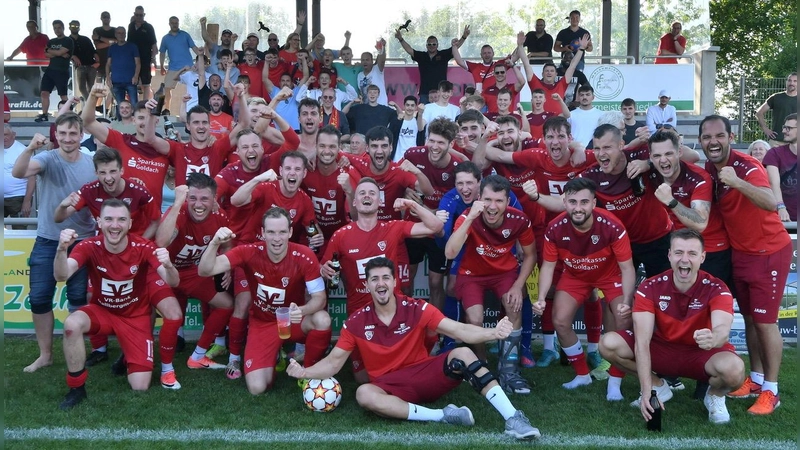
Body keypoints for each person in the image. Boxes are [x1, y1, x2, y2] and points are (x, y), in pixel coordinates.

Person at [288, 256, 541, 439]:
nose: (380, 284)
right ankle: (442, 415)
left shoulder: (416, 307)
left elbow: (458, 330)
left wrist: (492, 332)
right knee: (364, 394)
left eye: (385, 278)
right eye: (374, 279)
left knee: (463, 352)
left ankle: (513, 418)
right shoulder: (356, 321)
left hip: (423, 376)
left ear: (394, 281)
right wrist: (304, 372)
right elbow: (334, 362)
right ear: (367, 285)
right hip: (389, 387)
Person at [600, 229, 745, 423]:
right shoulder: (650, 287)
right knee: (608, 343)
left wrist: (713, 338)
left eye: (692, 253)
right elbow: (642, 342)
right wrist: (647, 390)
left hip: (700, 353)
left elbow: (722, 330)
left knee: (735, 371)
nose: (684, 259)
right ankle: (658, 386)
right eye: (678, 252)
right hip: (663, 350)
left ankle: (715, 395)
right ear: (669, 255)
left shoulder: (716, 287)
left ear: (702, 257)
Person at [700, 115, 792, 415]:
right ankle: (756, 379)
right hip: (740, 253)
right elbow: (682, 154)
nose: (713, 141)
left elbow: (770, 201)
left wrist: (737, 182)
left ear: (731, 137)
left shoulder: (746, 165)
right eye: (707, 137)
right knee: (751, 320)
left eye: (719, 135)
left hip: (769, 252)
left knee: (766, 323)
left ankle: (771, 391)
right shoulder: (709, 168)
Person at [55, 199, 184, 409]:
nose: (115, 225)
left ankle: (127, 356)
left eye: (121, 220)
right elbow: (61, 275)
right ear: (99, 221)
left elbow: (173, 282)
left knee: (140, 386)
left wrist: (169, 265)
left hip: (135, 317)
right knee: (72, 324)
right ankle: (76, 389)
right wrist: (61, 250)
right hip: (103, 312)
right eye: (109, 219)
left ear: (130, 223)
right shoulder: (88, 246)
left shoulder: (143, 246)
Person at [319, 177, 443, 382]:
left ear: (380, 201)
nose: (367, 196)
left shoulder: (392, 228)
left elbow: (436, 227)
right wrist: (324, 269)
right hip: (360, 313)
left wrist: (412, 205)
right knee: (363, 379)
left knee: (424, 336)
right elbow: (324, 267)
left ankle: (420, 356)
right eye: (362, 193)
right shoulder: (340, 236)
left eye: (372, 193)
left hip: (394, 310)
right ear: (355, 202)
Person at [199, 207, 333, 394]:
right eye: (271, 232)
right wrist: (214, 243)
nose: (277, 238)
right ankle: (274, 356)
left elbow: (320, 299)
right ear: (262, 233)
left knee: (322, 319)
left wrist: (301, 310)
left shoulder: (304, 255)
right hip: (263, 323)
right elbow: (204, 270)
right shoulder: (249, 251)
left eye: (282, 232)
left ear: (290, 232)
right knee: (257, 388)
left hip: (292, 320)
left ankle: (308, 372)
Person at [532, 178, 634, 398]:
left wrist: (627, 301)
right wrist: (540, 298)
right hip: (575, 275)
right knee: (560, 320)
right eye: (572, 202)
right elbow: (548, 267)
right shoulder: (555, 228)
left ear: (594, 203)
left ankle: (615, 381)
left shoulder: (612, 225)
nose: (578, 208)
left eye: (584, 202)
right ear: (564, 202)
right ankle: (582, 374)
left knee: (624, 319)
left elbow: (627, 268)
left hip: (610, 275)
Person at [11, 113, 96, 373]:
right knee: (39, 298)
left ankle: (78, 352)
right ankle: (45, 355)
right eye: (63, 134)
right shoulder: (47, 158)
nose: (68, 139)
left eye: (73, 133)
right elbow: (18, 172)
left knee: (78, 300)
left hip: (82, 242)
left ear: (81, 135)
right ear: (56, 135)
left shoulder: (91, 163)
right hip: (48, 240)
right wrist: (29, 148)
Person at [445, 175, 536, 395]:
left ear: (507, 202)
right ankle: (481, 364)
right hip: (472, 274)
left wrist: (518, 285)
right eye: (487, 200)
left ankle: (509, 371)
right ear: (479, 198)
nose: (492, 207)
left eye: (499, 201)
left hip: (504, 272)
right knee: (475, 318)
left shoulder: (519, 219)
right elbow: (450, 252)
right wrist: (469, 218)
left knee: (513, 305)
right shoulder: (469, 216)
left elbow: (531, 255)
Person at [155, 173, 235, 374]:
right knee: (173, 317)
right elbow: (161, 242)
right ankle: (159, 365)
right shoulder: (179, 211)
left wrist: (226, 266)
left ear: (214, 199)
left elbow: (227, 245)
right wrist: (176, 204)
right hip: (164, 270)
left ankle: (198, 356)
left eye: (204, 199)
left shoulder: (220, 216)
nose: (198, 204)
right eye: (193, 198)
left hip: (191, 271)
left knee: (226, 304)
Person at [580, 124, 673, 278]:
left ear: (621, 145)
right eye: (597, 148)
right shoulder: (593, 173)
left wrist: (649, 163)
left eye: (607, 147)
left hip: (658, 240)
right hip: (623, 242)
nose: (601, 153)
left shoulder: (640, 154)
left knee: (662, 289)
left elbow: (689, 156)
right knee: (619, 290)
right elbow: (565, 199)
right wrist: (538, 196)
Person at [401, 118, 464, 313]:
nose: (434, 147)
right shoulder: (412, 154)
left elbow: (459, 202)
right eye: (432, 140)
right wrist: (405, 190)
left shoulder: (458, 166)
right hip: (413, 226)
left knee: (436, 283)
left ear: (451, 144)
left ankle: (436, 327)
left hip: (439, 231)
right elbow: (398, 178)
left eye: (441, 143)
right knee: (406, 278)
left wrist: (429, 212)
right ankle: (407, 323)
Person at [53, 147, 160, 239]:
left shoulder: (139, 191)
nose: (108, 178)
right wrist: (62, 206)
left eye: (113, 171)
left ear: (121, 171)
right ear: (96, 173)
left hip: (134, 247)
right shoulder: (90, 191)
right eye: (103, 173)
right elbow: (58, 218)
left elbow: (156, 221)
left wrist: (140, 245)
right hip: (105, 248)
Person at [520, 32, 587, 116]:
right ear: (542, 74)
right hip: (540, 122)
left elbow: (572, 65)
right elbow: (526, 63)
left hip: (558, 122)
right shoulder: (535, 83)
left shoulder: (561, 84)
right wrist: (520, 46)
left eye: (552, 71)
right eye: (547, 71)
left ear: (556, 74)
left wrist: (581, 49)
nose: (549, 72)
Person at [395, 27, 468, 104]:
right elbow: (409, 50)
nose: (431, 46)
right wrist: (400, 39)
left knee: (440, 111)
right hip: (425, 93)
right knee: (423, 111)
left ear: (437, 45)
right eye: (429, 44)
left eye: (434, 44)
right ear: (426, 45)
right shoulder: (421, 56)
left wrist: (464, 37)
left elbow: (455, 46)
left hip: (440, 92)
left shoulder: (443, 55)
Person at [159, 16, 203, 114]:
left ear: (178, 23)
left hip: (188, 67)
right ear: (169, 24)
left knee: (193, 87)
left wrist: (201, 57)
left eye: (176, 23)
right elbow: (162, 53)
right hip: (173, 68)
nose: (175, 25)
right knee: (166, 88)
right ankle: (167, 110)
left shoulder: (185, 35)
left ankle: (193, 110)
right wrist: (161, 66)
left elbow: (194, 48)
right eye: (173, 23)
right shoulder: (165, 38)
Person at [35, 20, 74, 123]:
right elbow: (46, 54)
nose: (57, 30)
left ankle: (68, 115)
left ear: (63, 28)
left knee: (63, 95)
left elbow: (59, 52)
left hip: (62, 71)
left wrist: (53, 52)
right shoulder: (51, 41)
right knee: (44, 92)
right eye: (55, 28)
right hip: (50, 70)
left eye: (59, 28)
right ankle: (44, 114)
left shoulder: (68, 40)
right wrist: (57, 53)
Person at [763, 114, 797, 222]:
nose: (783, 131)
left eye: (788, 128)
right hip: (784, 219)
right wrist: (781, 207)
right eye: (784, 127)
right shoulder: (774, 153)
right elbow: (774, 183)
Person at [4, 124, 36, 228]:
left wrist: (27, 201)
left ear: (13, 135)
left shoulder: (23, 151)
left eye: (6, 134)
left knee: (19, 229)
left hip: (18, 197)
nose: (3, 138)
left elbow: (32, 177)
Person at [106, 27, 141, 120]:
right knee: (120, 105)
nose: (121, 35)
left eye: (123, 33)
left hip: (130, 80)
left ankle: (135, 123)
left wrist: (136, 76)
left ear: (125, 34)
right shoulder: (112, 48)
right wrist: (108, 77)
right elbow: (108, 64)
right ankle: (120, 125)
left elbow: (138, 63)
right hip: (116, 81)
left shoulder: (132, 46)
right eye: (119, 33)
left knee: (134, 104)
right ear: (115, 35)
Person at [755, 72, 798, 147]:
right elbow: (759, 113)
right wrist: (766, 129)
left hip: (796, 142)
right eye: (789, 80)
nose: (791, 83)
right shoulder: (776, 97)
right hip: (776, 141)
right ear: (786, 82)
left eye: (795, 81)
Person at [127, 6, 158, 100]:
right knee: (132, 83)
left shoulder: (149, 27)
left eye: (141, 15)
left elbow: (154, 46)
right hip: (132, 60)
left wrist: (153, 59)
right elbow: (128, 42)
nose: (139, 17)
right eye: (137, 15)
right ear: (134, 14)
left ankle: (145, 104)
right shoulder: (131, 26)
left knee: (146, 84)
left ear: (144, 15)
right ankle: (134, 105)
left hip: (145, 59)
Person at [68, 20, 99, 102]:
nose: (74, 28)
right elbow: (65, 53)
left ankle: (89, 105)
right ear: (69, 27)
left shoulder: (85, 39)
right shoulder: (67, 40)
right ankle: (89, 104)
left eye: (76, 26)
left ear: (79, 28)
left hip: (91, 66)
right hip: (79, 67)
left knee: (91, 88)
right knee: (81, 88)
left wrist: (98, 62)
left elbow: (94, 52)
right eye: (73, 26)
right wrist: (73, 56)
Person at [389, 96, 424, 161]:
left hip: (413, 158)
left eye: (412, 105)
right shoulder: (397, 121)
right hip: (397, 158)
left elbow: (421, 129)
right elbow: (389, 135)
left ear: (416, 107)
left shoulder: (418, 121)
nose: (410, 108)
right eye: (407, 105)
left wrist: (420, 113)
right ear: (404, 106)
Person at [91, 12, 116, 79]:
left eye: (107, 17)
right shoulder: (97, 30)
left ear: (110, 18)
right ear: (101, 18)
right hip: (101, 61)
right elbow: (98, 46)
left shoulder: (115, 30)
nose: (106, 18)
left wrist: (100, 38)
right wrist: (111, 42)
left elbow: (117, 43)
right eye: (104, 17)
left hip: (114, 61)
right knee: (101, 84)